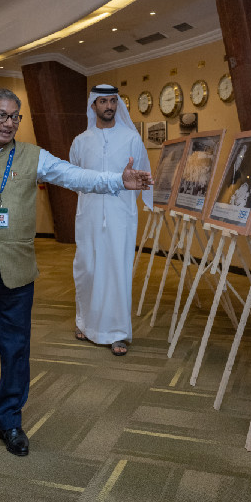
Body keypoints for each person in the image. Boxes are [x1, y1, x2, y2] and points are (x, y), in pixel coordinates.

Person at [0, 88, 153, 463]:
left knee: (16, 351)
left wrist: (119, 181)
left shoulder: (33, 156)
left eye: (15, 117)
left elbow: (77, 177)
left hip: (19, 274)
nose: (8, 123)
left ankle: (10, 422)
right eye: (1, 115)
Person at [70, 84, 153, 356]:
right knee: (88, 269)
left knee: (118, 271)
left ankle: (118, 333)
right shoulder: (81, 141)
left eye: (113, 101)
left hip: (121, 217)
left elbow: (143, 176)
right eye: (102, 101)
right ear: (93, 105)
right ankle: (85, 322)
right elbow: (74, 179)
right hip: (89, 216)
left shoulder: (131, 138)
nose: (108, 106)